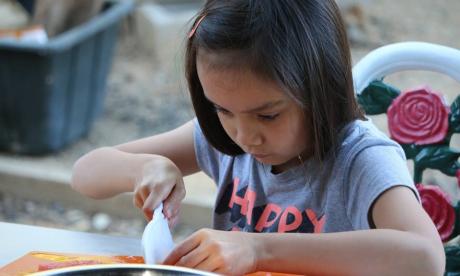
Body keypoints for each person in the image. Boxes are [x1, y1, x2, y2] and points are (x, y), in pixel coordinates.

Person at [71, 0, 445, 274]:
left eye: (267, 115)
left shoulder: (361, 159)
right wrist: (147, 168)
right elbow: (86, 172)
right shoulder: (224, 141)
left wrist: (257, 249)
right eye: (221, 108)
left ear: (320, 88)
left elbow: (425, 257)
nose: (245, 135)